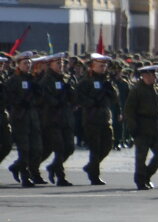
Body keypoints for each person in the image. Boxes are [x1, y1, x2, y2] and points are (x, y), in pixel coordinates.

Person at [74, 53, 118, 185]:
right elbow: (78, 97)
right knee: (95, 148)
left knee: (108, 145)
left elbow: (115, 99)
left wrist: (111, 90)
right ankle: (94, 176)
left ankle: (91, 167)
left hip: (105, 118)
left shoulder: (107, 81)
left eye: (104, 66)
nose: (103, 68)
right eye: (100, 66)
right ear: (92, 67)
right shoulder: (86, 81)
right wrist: (92, 102)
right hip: (91, 118)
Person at [123, 64, 158, 190]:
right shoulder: (137, 90)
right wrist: (133, 127)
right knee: (141, 156)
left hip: (155, 126)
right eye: (151, 75)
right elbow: (129, 110)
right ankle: (140, 180)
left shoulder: (157, 90)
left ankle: (147, 175)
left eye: (155, 75)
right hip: (142, 125)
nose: (154, 77)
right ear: (144, 76)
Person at [4, 51, 42, 187]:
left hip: (32, 118)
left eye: (29, 63)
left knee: (36, 148)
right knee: (24, 149)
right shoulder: (13, 80)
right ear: (18, 65)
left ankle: (16, 167)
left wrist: (38, 92)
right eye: (25, 63)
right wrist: (18, 102)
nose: (28, 65)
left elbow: (39, 99)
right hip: (20, 118)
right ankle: (25, 177)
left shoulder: (32, 79)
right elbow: (7, 98)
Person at [38, 53, 75, 186]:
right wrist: (59, 98)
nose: (61, 66)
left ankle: (53, 166)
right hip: (52, 119)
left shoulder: (65, 79)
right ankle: (60, 177)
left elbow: (73, 99)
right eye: (58, 64)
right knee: (59, 148)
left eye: (62, 63)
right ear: (50, 65)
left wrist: (69, 91)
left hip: (65, 118)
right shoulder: (46, 80)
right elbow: (47, 99)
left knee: (69, 147)